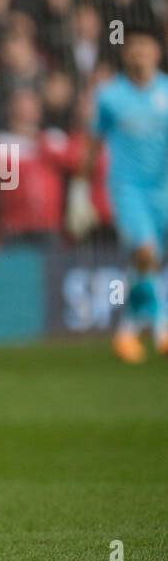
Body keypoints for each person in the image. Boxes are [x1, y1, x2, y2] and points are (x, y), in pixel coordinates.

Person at [80, 25, 168, 363]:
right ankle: (161, 327)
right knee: (145, 253)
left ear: (156, 54)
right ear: (124, 53)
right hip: (128, 188)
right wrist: (79, 188)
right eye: (133, 49)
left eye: (145, 48)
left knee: (148, 262)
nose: (139, 54)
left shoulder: (165, 92)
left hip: (162, 189)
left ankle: (127, 333)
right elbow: (93, 141)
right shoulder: (110, 95)